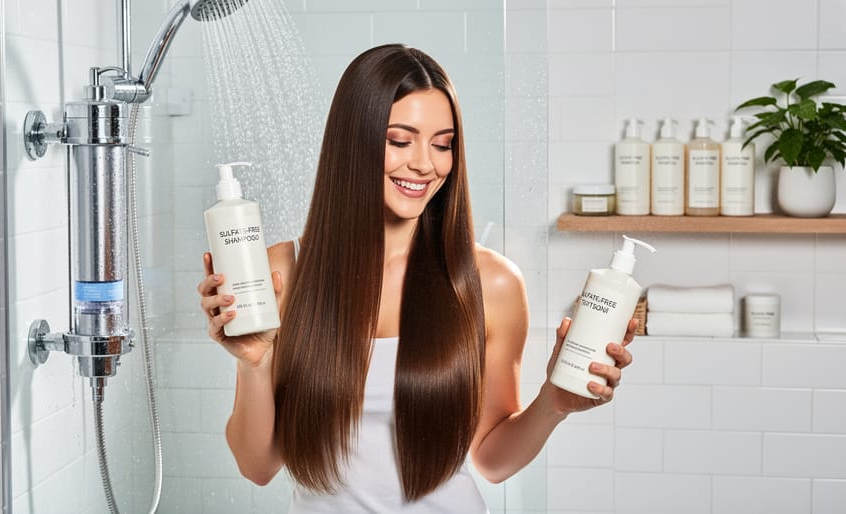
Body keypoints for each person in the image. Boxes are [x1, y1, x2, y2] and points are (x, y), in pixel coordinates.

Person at [197, 43, 635, 513]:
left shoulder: (492, 283)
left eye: (443, 144)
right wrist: (254, 362)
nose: (426, 164)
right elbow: (257, 466)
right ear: (354, 141)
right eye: (400, 140)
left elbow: (490, 460)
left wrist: (554, 402)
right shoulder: (282, 272)